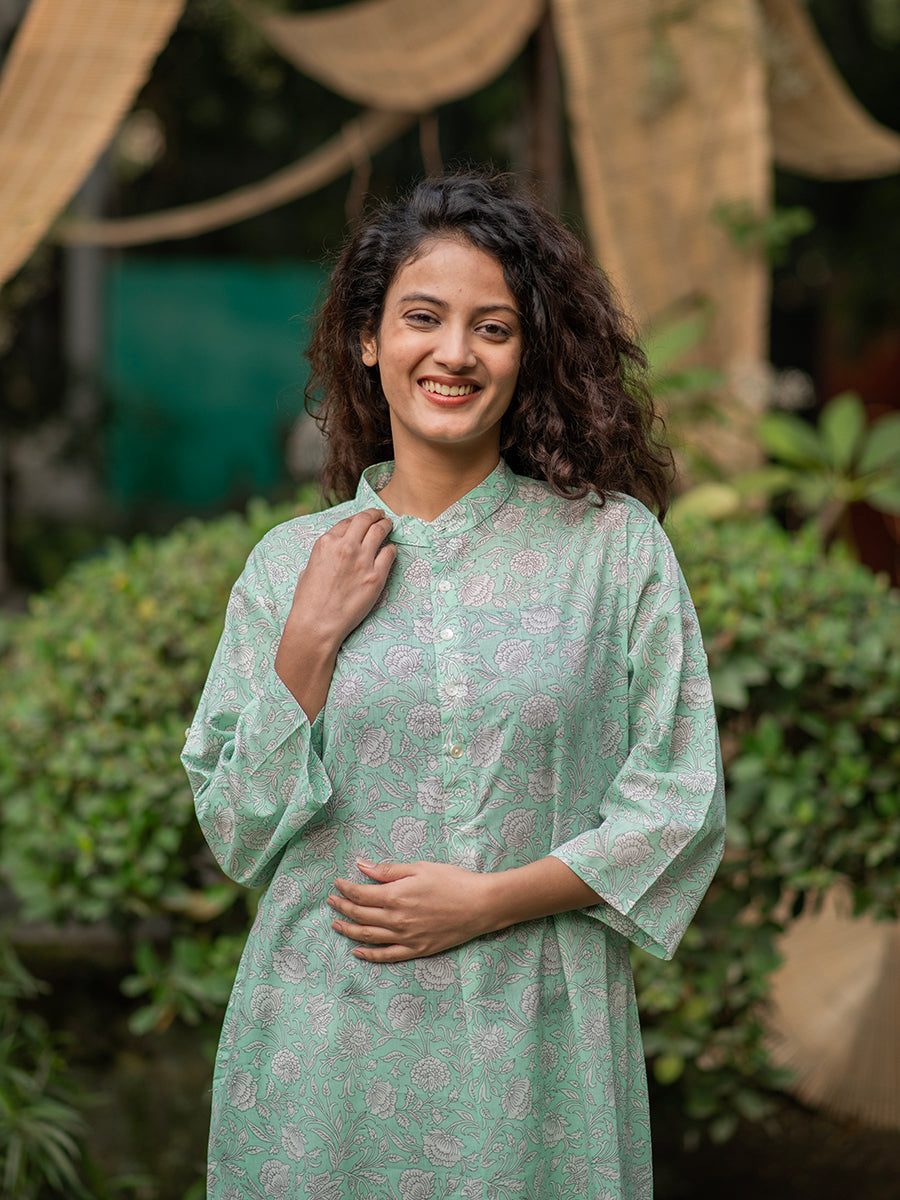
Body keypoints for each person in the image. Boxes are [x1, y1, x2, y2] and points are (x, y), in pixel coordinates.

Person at [182, 172, 725, 1200]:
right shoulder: (288, 566)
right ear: (368, 340)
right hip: (323, 1051)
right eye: (423, 318)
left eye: (494, 327)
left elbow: (679, 802)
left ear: (529, 353)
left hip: (539, 1040)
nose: (456, 353)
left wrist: (488, 901)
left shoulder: (613, 551)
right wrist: (306, 645)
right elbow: (238, 834)